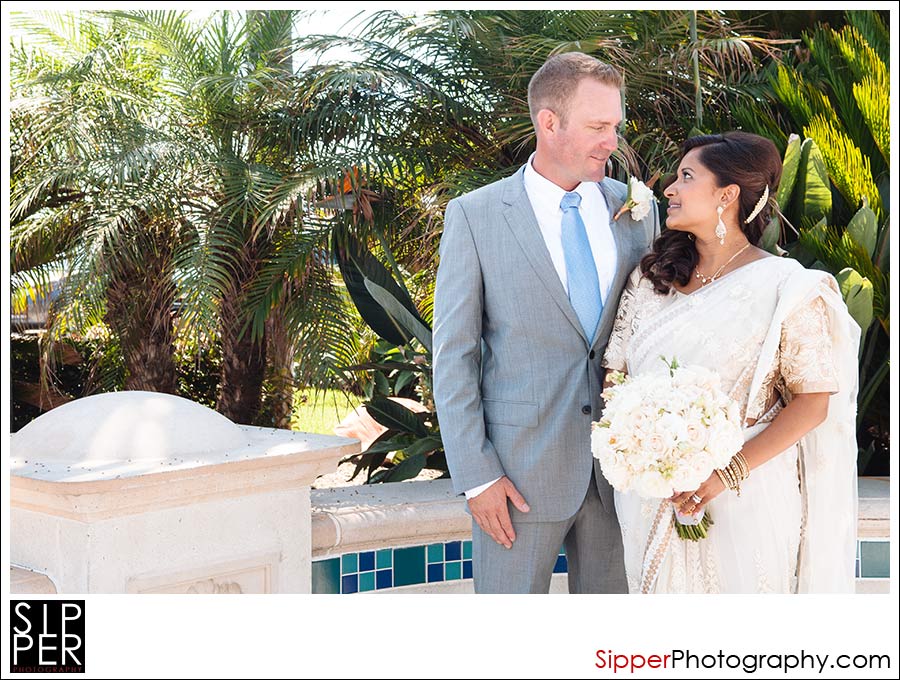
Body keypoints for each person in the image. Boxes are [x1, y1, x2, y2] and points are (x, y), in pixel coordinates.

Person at [433, 52, 660, 593]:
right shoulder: (476, 215)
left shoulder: (636, 211)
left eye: (616, 126)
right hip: (515, 480)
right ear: (549, 122)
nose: (612, 141)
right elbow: (454, 357)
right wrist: (478, 476)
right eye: (598, 126)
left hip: (619, 478)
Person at [602, 131, 860, 593]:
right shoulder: (650, 279)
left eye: (686, 177)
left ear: (727, 195)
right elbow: (615, 376)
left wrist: (723, 474)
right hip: (651, 494)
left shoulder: (787, 287)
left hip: (747, 495)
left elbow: (813, 401)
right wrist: (646, 449)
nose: (669, 189)